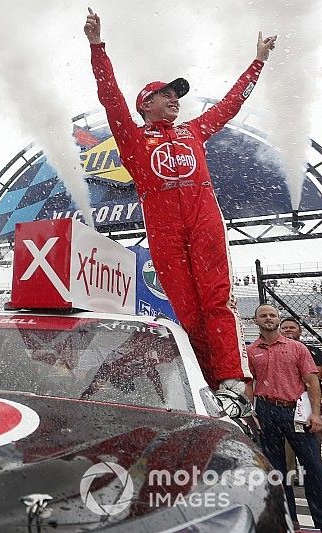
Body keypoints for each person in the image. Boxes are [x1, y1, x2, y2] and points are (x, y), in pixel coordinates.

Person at [84, 8, 277, 416]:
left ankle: (230, 381)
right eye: (167, 94)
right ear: (145, 104)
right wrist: (97, 47)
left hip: (203, 216)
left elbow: (230, 105)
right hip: (163, 226)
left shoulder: (194, 130)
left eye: (178, 95)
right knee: (185, 309)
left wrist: (257, 61)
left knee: (216, 299)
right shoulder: (132, 139)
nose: (175, 100)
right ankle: (206, 385)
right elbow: (110, 97)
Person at [248, 305, 322, 529]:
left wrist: (316, 414)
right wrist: (253, 414)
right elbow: (249, 383)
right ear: (256, 321)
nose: (268, 318)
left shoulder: (297, 348)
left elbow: (312, 382)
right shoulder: (251, 351)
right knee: (277, 471)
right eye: (264, 315)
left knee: (314, 466)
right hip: (266, 412)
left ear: (278, 319)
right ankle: (291, 520)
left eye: (272, 315)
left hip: (295, 412)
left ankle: (320, 519)